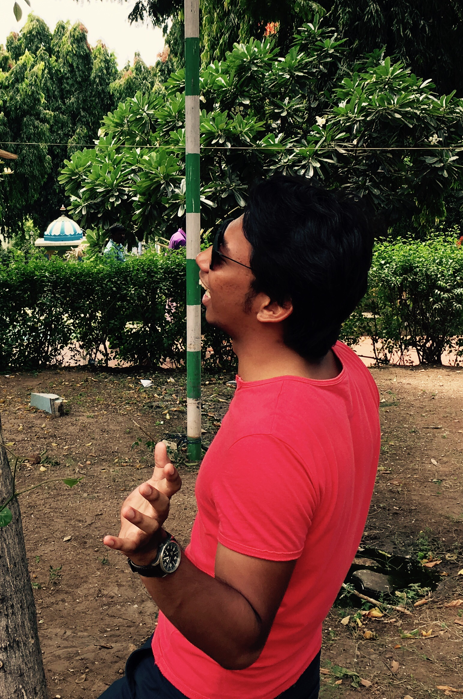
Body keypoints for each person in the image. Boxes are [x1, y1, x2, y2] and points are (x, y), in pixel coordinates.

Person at [99, 175, 378, 699]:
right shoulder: (346, 371)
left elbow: (239, 640)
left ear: (273, 304)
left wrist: (153, 552)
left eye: (222, 255)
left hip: (206, 687)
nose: (201, 260)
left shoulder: (268, 439)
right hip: (293, 669)